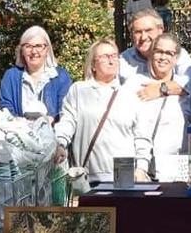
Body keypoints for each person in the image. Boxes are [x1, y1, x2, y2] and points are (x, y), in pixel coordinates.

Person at [54, 39, 152, 183]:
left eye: (114, 56)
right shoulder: (79, 90)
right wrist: (60, 144)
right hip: (88, 176)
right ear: (93, 64)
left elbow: (142, 135)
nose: (111, 61)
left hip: (124, 175)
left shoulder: (130, 94)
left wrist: (142, 168)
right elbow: (67, 122)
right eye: (105, 57)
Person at [120, 33, 191, 178]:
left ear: (176, 58)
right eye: (158, 51)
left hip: (176, 170)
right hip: (140, 170)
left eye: (169, 53)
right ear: (151, 54)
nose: (163, 57)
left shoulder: (185, 85)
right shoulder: (134, 83)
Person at [0, 26, 72, 121]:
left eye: (38, 46)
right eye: (28, 46)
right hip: (18, 132)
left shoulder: (61, 77)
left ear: (47, 50)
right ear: (22, 51)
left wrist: (50, 120)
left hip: (53, 133)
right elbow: (5, 107)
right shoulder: (11, 76)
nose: (34, 51)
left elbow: (65, 110)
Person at [119, 9, 191, 99]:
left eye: (148, 30)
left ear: (160, 30)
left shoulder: (176, 54)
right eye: (138, 32)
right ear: (131, 35)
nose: (143, 37)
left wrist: (162, 89)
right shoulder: (123, 60)